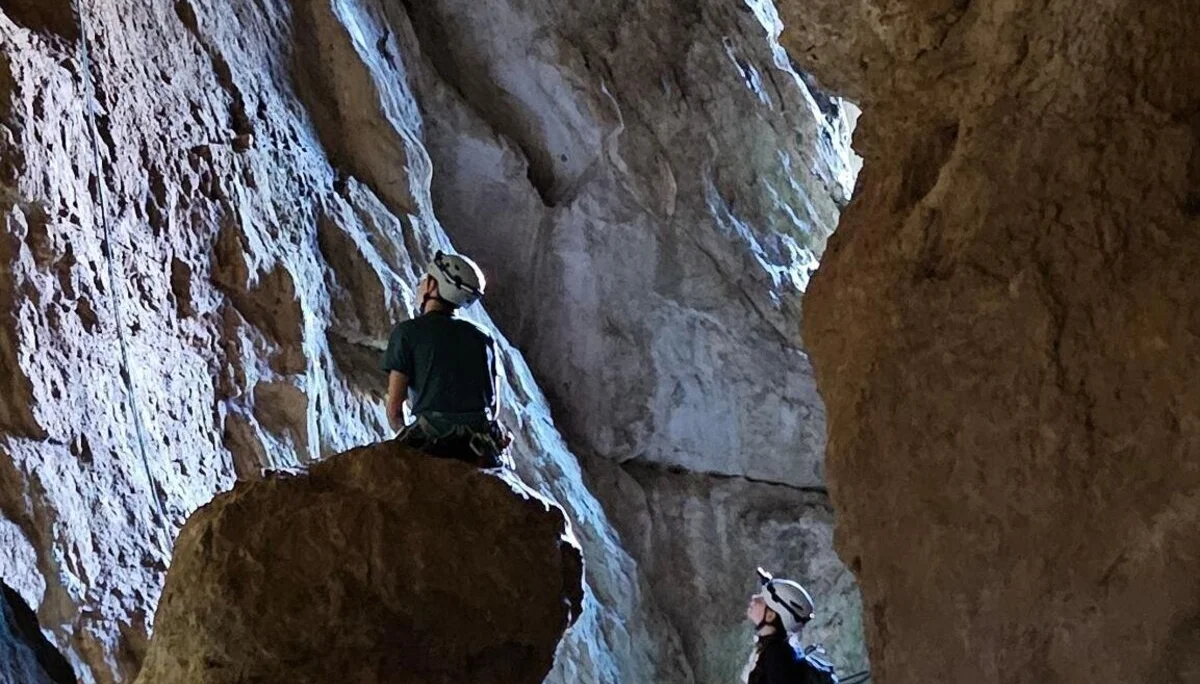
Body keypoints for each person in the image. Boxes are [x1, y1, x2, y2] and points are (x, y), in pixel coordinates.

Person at [380, 250, 511, 467]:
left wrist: (405, 438)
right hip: (479, 447)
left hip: (432, 444)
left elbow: (394, 409)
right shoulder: (483, 336)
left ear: (433, 286)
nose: (421, 284)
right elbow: (493, 407)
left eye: (425, 280)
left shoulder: (407, 333)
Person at [742, 568, 838, 684]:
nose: (754, 598)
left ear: (770, 616)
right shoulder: (777, 650)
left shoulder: (777, 656)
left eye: (762, 599)